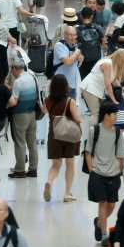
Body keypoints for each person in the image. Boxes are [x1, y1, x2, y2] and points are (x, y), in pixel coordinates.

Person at [86, 103, 124, 247]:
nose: (116, 116)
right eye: (114, 114)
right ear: (106, 116)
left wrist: (120, 169)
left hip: (113, 174)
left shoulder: (118, 133)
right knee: (102, 203)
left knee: (111, 204)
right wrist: (92, 169)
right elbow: (88, 151)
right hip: (98, 173)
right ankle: (104, 235)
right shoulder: (94, 130)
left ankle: (98, 223)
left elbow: (121, 154)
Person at [43, 74, 81, 203]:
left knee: (55, 165)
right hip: (69, 136)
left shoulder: (48, 100)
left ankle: (49, 181)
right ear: (66, 86)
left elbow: (43, 111)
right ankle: (67, 193)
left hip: (54, 135)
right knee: (70, 164)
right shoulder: (70, 101)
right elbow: (77, 119)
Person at [7, 60, 40, 179]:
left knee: (20, 143)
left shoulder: (18, 82)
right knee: (32, 143)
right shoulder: (33, 77)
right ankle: (33, 169)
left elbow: (14, 101)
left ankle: (20, 170)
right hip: (32, 114)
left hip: (20, 115)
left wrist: (6, 100)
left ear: (14, 69)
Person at [80, 49, 124, 126]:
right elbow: (108, 85)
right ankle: (92, 134)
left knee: (101, 112)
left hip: (97, 89)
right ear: (117, 57)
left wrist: (121, 87)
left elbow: (113, 80)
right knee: (96, 113)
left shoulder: (114, 64)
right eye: (122, 61)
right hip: (90, 88)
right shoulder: (107, 64)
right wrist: (114, 100)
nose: (123, 63)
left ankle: (99, 132)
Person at [77, 6, 106, 80]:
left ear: (81, 16)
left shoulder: (77, 29)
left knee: (83, 80)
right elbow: (104, 44)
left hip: (83, 59)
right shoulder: (98, 28)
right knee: (95, 80)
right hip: (96, 57)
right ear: (92, 16)